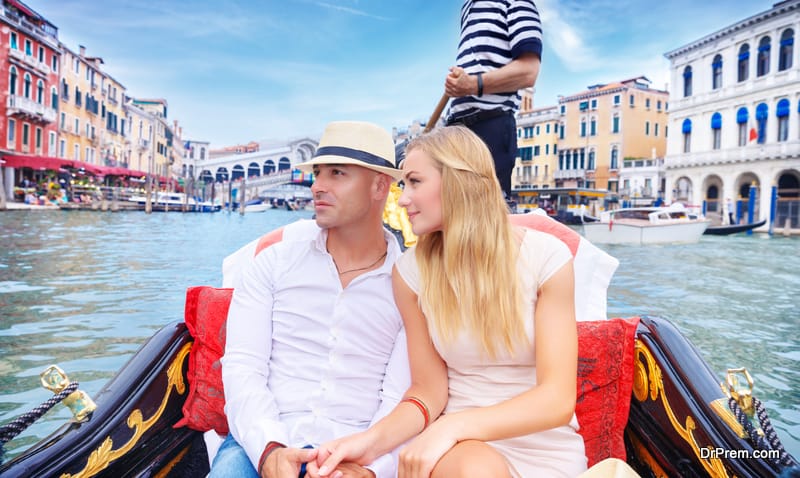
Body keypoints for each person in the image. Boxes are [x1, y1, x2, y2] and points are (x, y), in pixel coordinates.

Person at [310, 125, 587, 478]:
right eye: (402, 185)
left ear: (458, 181)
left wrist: (450, 428)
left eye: (414, 182)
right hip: (461, 455)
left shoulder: (546, 257)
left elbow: (557, 400)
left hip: (543, 447)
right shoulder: (411, 274)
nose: (403, 199)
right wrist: (366, 444)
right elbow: (428, 391)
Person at [210, 121, 410, 478]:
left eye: (337, 173)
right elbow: (243, 366)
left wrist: (370, 470)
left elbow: (399, 397)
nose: (318, 186)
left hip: (358, 453)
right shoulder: (274, 263)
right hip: (264, 439)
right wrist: (269, 450)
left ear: (381, 185)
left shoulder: (411, 283)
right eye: (317, 173)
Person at [443, 0, 542, 199]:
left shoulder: (516, 3)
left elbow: (528, 71)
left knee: (485, 217)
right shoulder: (468, 7)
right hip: (457, 131)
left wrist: (472, 84)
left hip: (489, 128)